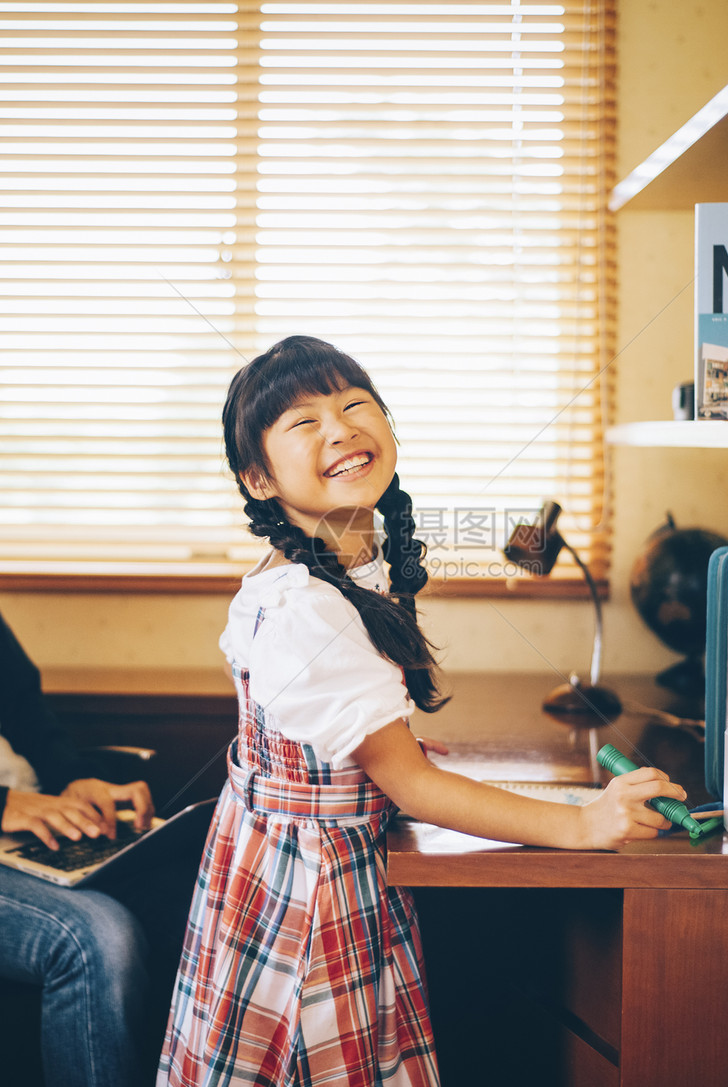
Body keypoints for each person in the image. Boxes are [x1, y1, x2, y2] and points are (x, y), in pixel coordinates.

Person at [158, 335, 687, 1087]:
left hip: (283, 859)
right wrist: (583, 822)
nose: (339, 429)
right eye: (303, 422)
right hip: (312, 887)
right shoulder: (306, 604)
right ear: (258, 477)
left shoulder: (342, 557)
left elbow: (354, 745)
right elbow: (411, 785)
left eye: (353, 404)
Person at [0, 611, 197, 1087]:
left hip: (32, 827)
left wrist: (72, 778)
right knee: (96, 938)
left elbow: (26, 714)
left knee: (194, 900)